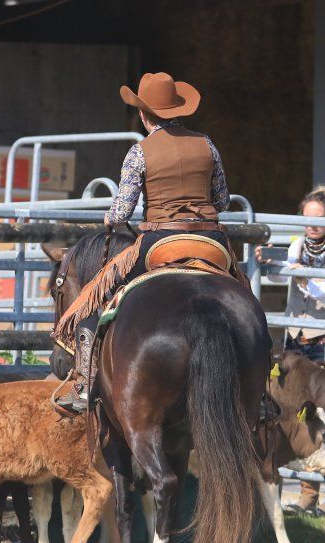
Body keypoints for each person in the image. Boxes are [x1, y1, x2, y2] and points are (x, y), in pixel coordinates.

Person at [52, 72, 245, 414]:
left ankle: (83, 387)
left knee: (94, 302)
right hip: (210, 241)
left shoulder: (139, 152)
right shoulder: (207, 144)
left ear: (143, 115)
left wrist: (110, 219)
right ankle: (261, 395)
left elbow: (122, 210)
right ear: (178, 109)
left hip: (161, 241)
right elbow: (223, 200)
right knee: (244, 298)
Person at [255, 185, 325, 512]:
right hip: (296, 342)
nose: (312, 225)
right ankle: (307, 495)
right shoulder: (297, 244)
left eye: (319, 219)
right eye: (306, 219)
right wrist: (268, 262)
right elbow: (275, 280)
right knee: (295, 412)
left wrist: (305, 277)